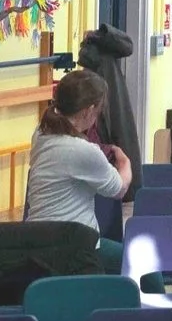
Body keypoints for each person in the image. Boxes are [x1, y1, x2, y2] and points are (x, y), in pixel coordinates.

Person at [23, 69, 131, 232]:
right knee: (123, 255)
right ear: (88, 110)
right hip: (72, 246)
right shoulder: (83, 150)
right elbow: (119, 189)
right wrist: (124, 160)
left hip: (36, 239)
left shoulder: (40, 133)